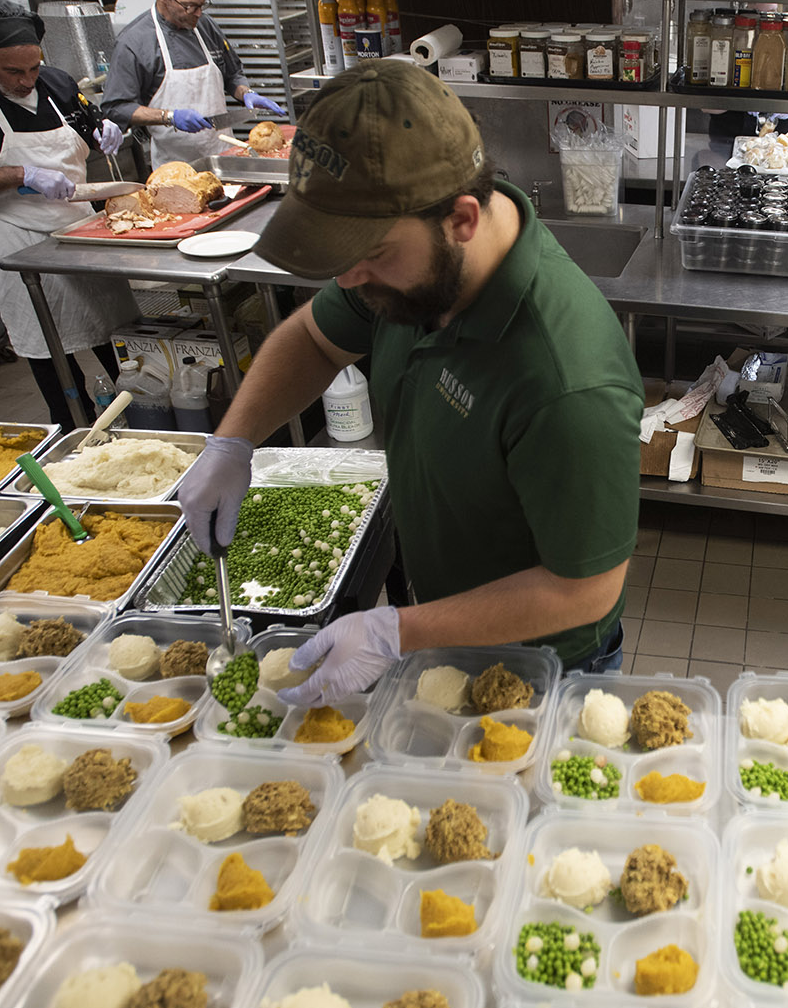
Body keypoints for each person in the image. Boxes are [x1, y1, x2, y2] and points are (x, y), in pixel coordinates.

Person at [176, 63, 643, 704]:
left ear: (462, 220)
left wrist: (397, 630)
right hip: (441, 628)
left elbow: (583, 588)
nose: (347, 280)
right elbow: (313, 339)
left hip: (541, 671)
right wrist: (232, 443)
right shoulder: (408, 271)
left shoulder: (568, 382)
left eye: (368, 254)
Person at [0, 0, 139, 427]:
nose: (27, 81)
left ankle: (141, 415)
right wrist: (22, 173)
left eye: (33, 68)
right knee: (48, 349)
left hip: (82, 229)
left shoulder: (59, 83)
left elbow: (87, 124)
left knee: (116, 336)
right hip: (20, 236)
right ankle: (72, 430)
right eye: (13, 72)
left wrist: (104, 131)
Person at [102, 0, 285, 168]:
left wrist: (246, 93)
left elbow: (232, 74)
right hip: (177, 169)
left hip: (224, 157)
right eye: (189, 7)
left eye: (202, 5)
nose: (198, 13)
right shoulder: (133, 43)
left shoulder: (204, 26)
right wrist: (169, 116)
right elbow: (116, 107)